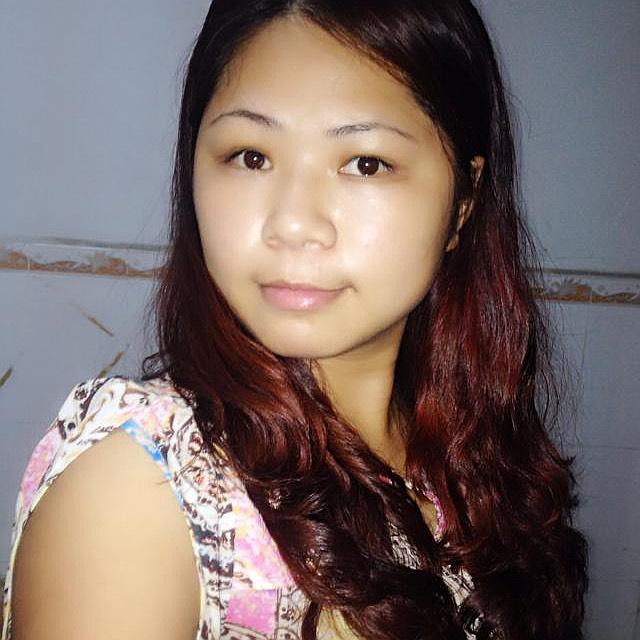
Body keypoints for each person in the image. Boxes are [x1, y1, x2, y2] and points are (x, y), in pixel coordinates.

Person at [2, 1, 588, 638]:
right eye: (250, 156)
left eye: (366, 163)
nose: (294, 223)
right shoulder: (143, 485)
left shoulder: (476, 464)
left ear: (463, 202)